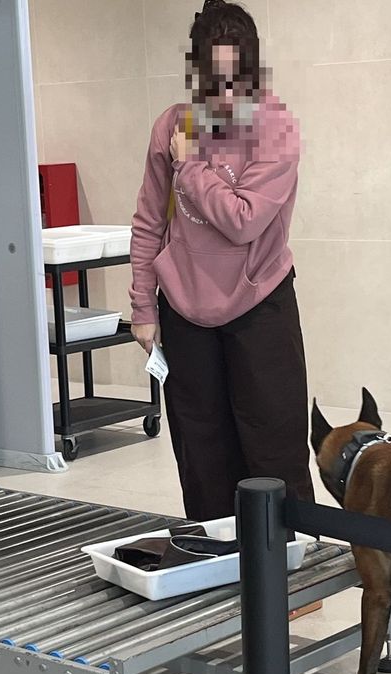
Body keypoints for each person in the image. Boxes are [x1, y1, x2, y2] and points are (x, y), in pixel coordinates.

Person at [127, 0, 314, 522]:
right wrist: (143, 306)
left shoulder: (274, 128)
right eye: (214, 80)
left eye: (237, 80)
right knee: (201, 449)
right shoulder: (171, 125)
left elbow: (243, 219)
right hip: (184, 310)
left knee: (273, 443)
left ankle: (288, 576)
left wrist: (190, 164)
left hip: (260, 302)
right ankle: (218, 560)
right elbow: (148, 221)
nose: (225, 95)